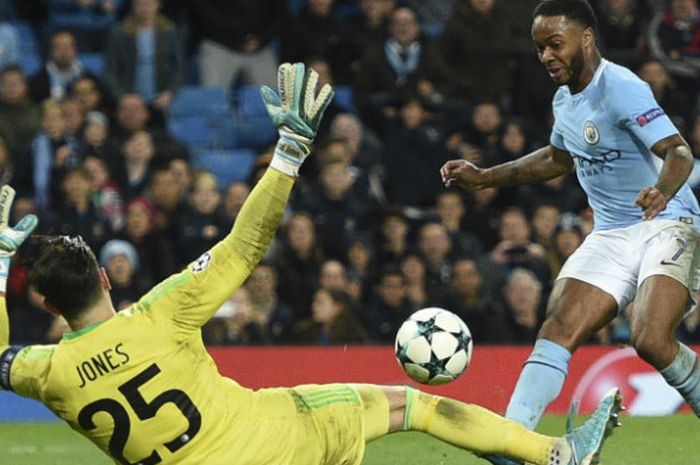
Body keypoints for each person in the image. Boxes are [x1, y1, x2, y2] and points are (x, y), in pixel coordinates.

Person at [0, 63, 620, 465]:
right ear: (106, 277)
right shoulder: (161, 313)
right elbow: (246, 243)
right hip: (276, 442)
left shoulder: (44, 371)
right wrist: (290, 154)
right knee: (415, 408)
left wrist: (2, 261)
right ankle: (557, 455)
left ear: (46, 304)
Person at [440, 1, 699, 463]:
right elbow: (556, 159)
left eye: (554, 45)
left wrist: (660, 191)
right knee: (558, 325)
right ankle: (510, 443)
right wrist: (485, 176)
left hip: (666, 221)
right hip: (612, 233)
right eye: (540, 48)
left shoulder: (621, 87)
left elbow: (679, 152)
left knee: (650, 339)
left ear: (585, 38)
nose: (546, 56)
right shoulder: (565, 100)